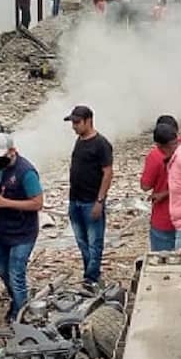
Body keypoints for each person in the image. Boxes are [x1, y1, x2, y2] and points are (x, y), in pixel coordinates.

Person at [0, 134, 43, 323]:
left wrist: (5, 203)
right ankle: (18, 301)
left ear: (12, 151)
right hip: (3, 231)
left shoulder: (26, 172)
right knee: (2, 270)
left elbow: (37, 203)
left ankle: (20, 314)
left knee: (16, 273)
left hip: (23, 232)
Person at [140, 116, 181, 252]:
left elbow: (145, 186)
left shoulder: (164, 155)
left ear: (159, 145)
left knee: (170, 264)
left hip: (179, 222)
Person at [65, 106, 114, 287]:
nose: (74, 126)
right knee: (82, 241)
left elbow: (107, 173)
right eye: (73, 122)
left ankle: (92, 278)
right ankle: (89, 273)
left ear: (88, 121)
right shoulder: (79, 140)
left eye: (77, 122)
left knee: (94, 242)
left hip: (91, 201)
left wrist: (99, 201)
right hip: (75, 199)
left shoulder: (101, 144)